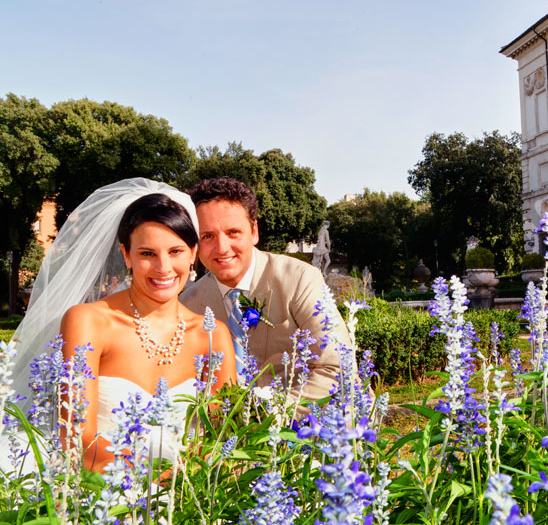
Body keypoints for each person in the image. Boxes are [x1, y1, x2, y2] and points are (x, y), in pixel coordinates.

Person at [3, 179, 237, 473]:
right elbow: (77, 437)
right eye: (147, 254)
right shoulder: (89, 322)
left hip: (187, 494)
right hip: (101, 489)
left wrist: (185, 490)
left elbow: (222, 435)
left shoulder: (213, 335)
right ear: (127, 255)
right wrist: (153, 482)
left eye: (175, 251)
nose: (163, 268)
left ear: (193, 253)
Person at [180, 177, 349, 402]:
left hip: (308, 426)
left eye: (233, 233)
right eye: (207, 236)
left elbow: (337, 368)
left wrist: (265, 421)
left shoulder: (300, 280)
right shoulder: (188, 304)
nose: (222, 248)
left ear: (254, 232)